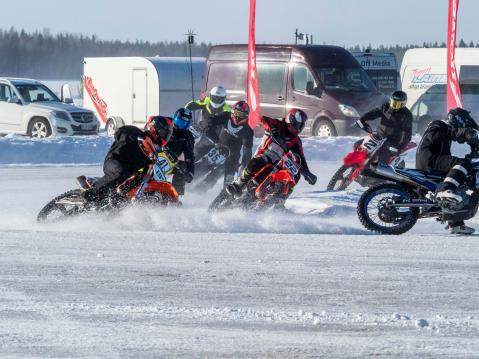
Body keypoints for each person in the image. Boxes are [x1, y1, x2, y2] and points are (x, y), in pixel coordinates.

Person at [79, 116, 173, 202]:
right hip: (114, 162)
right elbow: (120, 132)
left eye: (168, 134)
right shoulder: (137, 133)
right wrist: (136, 136)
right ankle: (92, 191)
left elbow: (146, 171)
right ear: (155, 129)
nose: (166, 136)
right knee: (120, 170)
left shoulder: (153, 151)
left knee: (138, 182)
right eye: (165, 132)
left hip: (125, 176)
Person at [416, 107, 479, 235]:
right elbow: (440, 136)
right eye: (462, 123)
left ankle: (456, 224)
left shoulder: (446, 130)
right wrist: (466, 132)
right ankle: (446, 189)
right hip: (430, 160)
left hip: (434, 161)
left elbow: (459, 135)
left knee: (461, 180)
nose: (463, 126)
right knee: (462, 163)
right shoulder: (439, 125)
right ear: (456, 119)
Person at [226, 108, 317, 197]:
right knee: (263, 159)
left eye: (301, 126)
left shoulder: (295, 141)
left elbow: (301, 158)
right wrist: (271, 129)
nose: (298, 128)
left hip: (278, 163)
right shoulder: (275, 124)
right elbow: (260, 119)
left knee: (295, 174)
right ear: (290, 120)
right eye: (297, 125)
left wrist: (307, 173)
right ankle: (239, 183)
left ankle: (280, 200)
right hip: (263, 155)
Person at [196, 101, 254, 189]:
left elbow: (247, 150)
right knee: (203, 166)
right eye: (237, 113)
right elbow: (210, 122)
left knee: (224, 181)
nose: (238, 117)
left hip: (233, 157)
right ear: (232, 112)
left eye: (241, 115)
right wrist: (215, 139)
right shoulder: (226, 115)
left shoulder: (248, 131)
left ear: (246, 116)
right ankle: (190, 185)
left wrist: (244, 165)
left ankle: (223, 198)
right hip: (218, 149)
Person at [356, 90, 413, 162]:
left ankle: (379, 171)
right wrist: (362, 119)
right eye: (393, 102)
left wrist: (401, 147)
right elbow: (373, 113)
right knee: (357, 145)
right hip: (378, 136)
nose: (394, 105)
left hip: (392, 141)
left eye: (397, 104)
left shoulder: (406, 114)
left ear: (403, 104)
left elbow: (407, 133)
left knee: (380, 158)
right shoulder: (386, 106)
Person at [186, 86, 232, 160]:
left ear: (223, 99)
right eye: (214, 98)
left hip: (215, 137)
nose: (216, 101)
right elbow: (191, 105)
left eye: (219, 99)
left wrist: (220, 142)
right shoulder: (206, 101)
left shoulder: (227, 111)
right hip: (201, 130)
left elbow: (229, 129)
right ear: (210, 96)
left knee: (198, 151)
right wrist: (185, 113)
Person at [167, 108, 195, 195]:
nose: (183, 123)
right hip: (153, 155)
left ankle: (175, 197)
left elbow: (189, 156)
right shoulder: (165, 123)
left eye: (186, 121)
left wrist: (189, 171)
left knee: (181, 170)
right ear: (175, 117)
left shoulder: (188, 136)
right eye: (181, 120)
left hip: (170, 161)